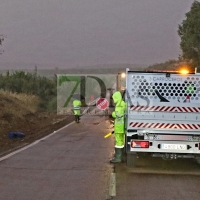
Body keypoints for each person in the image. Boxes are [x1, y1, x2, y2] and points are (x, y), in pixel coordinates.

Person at [110, 91, 126, 163]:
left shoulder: (119, 105)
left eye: (114, 98)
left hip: (119, 127)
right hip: (122, 127)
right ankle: (121, 156)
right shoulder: (123, 104)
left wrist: (113, 113)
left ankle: (118, 158)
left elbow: (118, 115)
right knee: (121, 141)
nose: (113, 100)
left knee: (118, 142)